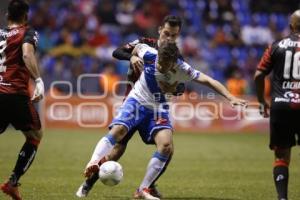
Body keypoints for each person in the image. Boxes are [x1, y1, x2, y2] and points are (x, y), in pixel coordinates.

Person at [80, 41, 247, 200]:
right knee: (118, 131)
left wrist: (230, 97)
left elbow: (209, 81)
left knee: (166, 145)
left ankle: (143, 189)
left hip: (159, 109)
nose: (160, 65)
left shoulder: (182, 68)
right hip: (137, 101)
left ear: (173, 62)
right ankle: (93, 162)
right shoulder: (150, 53)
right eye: (160, 60)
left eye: (164, 63)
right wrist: (132, 56)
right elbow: (135, 48)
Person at [76, 15, 184, 198]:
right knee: (117, 149)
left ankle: (149, 185)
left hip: (156, 108)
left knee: (168, 148)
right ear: (160, 30)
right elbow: (117, 52)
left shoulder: (175, 56)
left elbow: (181, 86)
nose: (169, 39)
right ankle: (87, 184)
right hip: (134, 103)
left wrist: (172, 87)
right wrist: (131, 57)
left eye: (174, 36)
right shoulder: (144, 43)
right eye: (167, 33)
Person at [254, 9, 300, 200]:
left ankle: (282, 198)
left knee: (281, 157)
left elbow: (258, 75)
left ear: (291, 26)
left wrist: (261, 100)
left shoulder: (276, 46)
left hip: (281, 106)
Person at [0, 1, 44, 200]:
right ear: (26, 16)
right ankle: (13, 182)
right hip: (15, 94)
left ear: (7, 14)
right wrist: (39, 80)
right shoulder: (27, 32)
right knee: (35, 135)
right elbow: (27, 54)